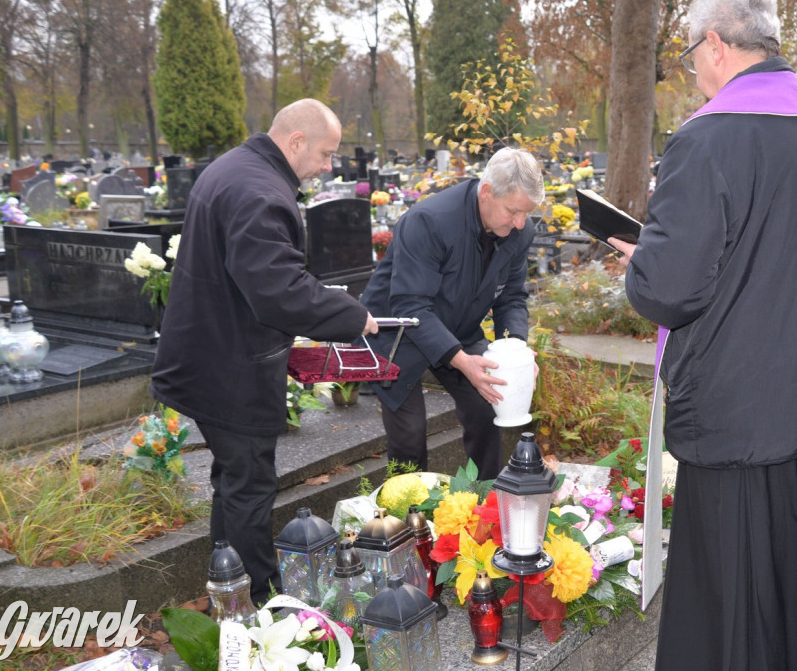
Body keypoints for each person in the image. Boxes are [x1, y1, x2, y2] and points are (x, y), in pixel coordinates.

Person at [610, 0, 797, 671]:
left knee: (731, 616)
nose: (694, 71)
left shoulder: (708, 139)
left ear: (717, 46)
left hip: (736, 418)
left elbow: (668, 292)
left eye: (693, 53)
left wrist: (643, 265)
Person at [150, 99, 378, 605]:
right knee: (250, 484)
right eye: (324, 154)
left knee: (234, 479)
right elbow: (277, 290)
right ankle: (258, 599)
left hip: (209, 352)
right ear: (296, 141)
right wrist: (349, 314)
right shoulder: (259, 191)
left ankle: (224, 581)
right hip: (229, 367)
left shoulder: (235, 167)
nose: (327, 167)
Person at [360, 147, 544, 480]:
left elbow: (513, 297)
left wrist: (517, 351)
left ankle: (487, 500)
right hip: (397, 332)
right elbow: (411, 304)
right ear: (486, 192)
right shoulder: (429, 222)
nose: (520, 223)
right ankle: (410, 520)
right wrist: (461, 360)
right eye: (513, 211)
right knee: (409, 435)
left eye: (526, 214)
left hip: (458, 326)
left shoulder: (519, 230)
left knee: (489, 406)